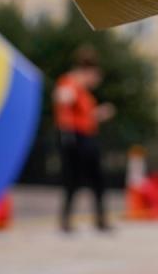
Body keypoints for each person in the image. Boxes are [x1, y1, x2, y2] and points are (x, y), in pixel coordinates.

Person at [54, 46, 115, 233]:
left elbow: (86, 116)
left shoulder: (86, 94)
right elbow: (62, 101)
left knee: (97, 180)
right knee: (72, 180)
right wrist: (73, 85)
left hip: (87, 137)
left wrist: (100, 114)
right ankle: (66, 220)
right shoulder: (70, 83)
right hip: (75, 139)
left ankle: (100, 219)